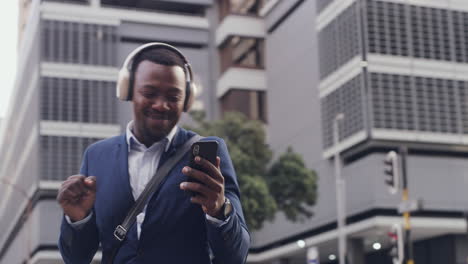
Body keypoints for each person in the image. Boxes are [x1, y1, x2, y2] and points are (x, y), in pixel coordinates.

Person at [57, 43, 250, 264]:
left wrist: (219, 210)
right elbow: (76, 258)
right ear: (127, 90)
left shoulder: (211, 153)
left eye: (173, 96)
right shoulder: (97, 156)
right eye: (149, 93)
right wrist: (78, 220)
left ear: (187, 99)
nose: (161, 105)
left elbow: (237, 256)